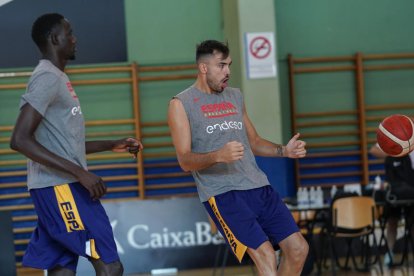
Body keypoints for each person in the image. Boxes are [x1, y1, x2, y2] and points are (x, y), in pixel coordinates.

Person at [10, 13, 143, 275]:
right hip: (60, 187)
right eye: (69, 32)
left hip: (56, 188)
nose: (75, 38)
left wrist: (111, 144)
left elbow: (63, 143)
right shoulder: (47, 77)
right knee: (109, 265)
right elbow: (19, 139)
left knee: (62, 268)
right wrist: (80, 172)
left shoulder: (58, 78)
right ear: (55, 38)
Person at [168, 40, 309, 275]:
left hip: (259, 186)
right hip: (223, 194)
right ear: (204, 68)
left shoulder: (234, 96)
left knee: (298, 249)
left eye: (229, 65)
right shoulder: (180, 104)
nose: (228, 72)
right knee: (265, 254)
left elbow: (253, 142)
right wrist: (218, 155)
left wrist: (284, 151)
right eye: (221, 65)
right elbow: (184, 160)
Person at [370, 144, 414, 266]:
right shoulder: (393, 134)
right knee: (392, 222)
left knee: (412, 222)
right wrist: (393, 153)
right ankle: (389, 253)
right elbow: (373, 150)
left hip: (410, 190)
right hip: (394, 192)